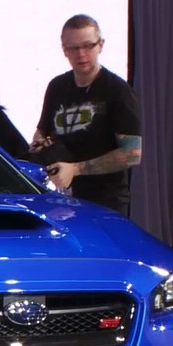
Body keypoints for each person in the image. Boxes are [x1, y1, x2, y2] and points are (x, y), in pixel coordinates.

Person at [29, 14, 141, 216]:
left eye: (88, 46)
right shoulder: (57, 87)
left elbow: (133, 154)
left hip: (106, 203)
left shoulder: (117, 90)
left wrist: (76, 169)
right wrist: (42, 147)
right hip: (62, 200)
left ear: (100, 45)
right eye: (74, 48)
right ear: (64, 50)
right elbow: (41, 131)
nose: (81, 54)